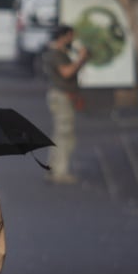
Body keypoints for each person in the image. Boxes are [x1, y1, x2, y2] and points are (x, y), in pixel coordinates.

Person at [40, 24, 90, 184]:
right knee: (64, 134)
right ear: (64, 36)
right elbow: (66, 72)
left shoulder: (56, 52)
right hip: (61, 96)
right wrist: (81, 59)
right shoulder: (56, 53)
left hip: (61, 95)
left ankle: (53, 168)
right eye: (71, 36)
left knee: (59, 133)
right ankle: (60, 172)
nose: (72, 40)